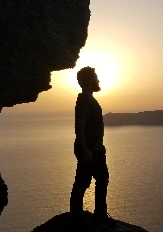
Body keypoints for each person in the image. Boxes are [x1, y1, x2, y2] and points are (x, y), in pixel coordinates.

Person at [70, 66, 117, 227]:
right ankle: (94, 216)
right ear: (90, 80)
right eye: (96, 77)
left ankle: (87, 215)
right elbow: (79, 125)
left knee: (91, 180)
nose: (98, 80)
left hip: (94, 148)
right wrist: (85, 149)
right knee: (88, 181)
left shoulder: (87, 98)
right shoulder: (84, 99)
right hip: (90, 150)